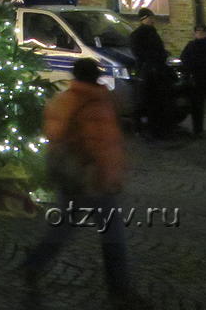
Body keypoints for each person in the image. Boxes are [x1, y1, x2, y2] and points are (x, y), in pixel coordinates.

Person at [22, 57, 133, 308]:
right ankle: (120, 289)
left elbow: (54, 133)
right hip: (92, 179)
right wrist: (110, 175)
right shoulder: (96, 103)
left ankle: (33, 264)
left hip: (77, 178)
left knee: (65, 227)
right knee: (111, 233)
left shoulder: (67, 100)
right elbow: (102, 145)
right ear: (95, 75)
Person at [130, 7, 174, 137]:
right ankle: (141, 127)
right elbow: (139, 53)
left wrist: (162, 55)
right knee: (143, 99)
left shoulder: (152, 32)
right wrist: (154, 58)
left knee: (153, 100)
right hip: (147, 70)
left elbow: (158, 49)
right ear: (144, 19)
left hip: (155, 70)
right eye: (150, 18)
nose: (152, 20)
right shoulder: (139, 34)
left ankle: (155, 127)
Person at [180, 24, 206, 136]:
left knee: (199, 105)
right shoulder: (191, 45)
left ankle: (198, 130)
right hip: (196, 80)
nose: (199, 33)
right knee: (197, 106)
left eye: (201, 31)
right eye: (197, 31)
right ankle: (198, 130)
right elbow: (184, 58)